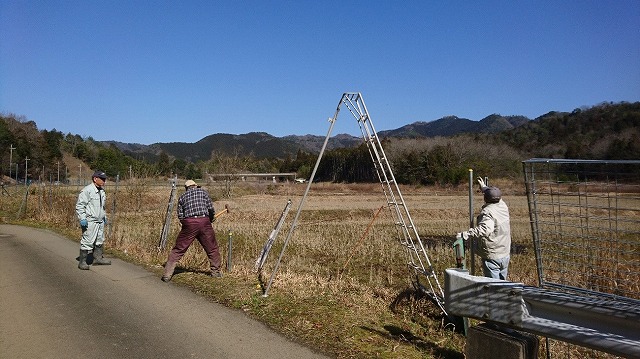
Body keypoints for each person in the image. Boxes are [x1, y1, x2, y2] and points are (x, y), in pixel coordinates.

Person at [161, 179, 222, 282]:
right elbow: (210, 208)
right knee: (212, 248)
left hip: (189, 223)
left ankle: (167, 274)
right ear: (195, 185)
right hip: (204, 221)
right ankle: (215, 272)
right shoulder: (203, 192)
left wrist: (187, 225)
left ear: (186, 188)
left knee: (179, 249)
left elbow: (180, 215)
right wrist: (210, 219)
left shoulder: (182, 197)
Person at [456, 177, 511, 280]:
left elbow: (485, 229)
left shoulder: (488, 212)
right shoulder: (502, 205)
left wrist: (465, 234)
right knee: (503, 284)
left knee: (494, 285)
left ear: (485, 198)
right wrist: (484, 188)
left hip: (493, 255)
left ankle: (495, 296)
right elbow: (493, 195)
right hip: (505, 252)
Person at [76, 170, 111, 270]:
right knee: (87, 240)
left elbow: (102, 207)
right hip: (90, 221)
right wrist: (82, 218)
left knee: (99, 240)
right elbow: (80, 206)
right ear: (95, 179)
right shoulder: (87, 190)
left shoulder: (102, 191)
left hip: (100, 221)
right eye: (102, 179)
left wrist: (104, 216)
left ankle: (98, 259)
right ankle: (82, 262)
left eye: (105, 179)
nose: (104, 181)